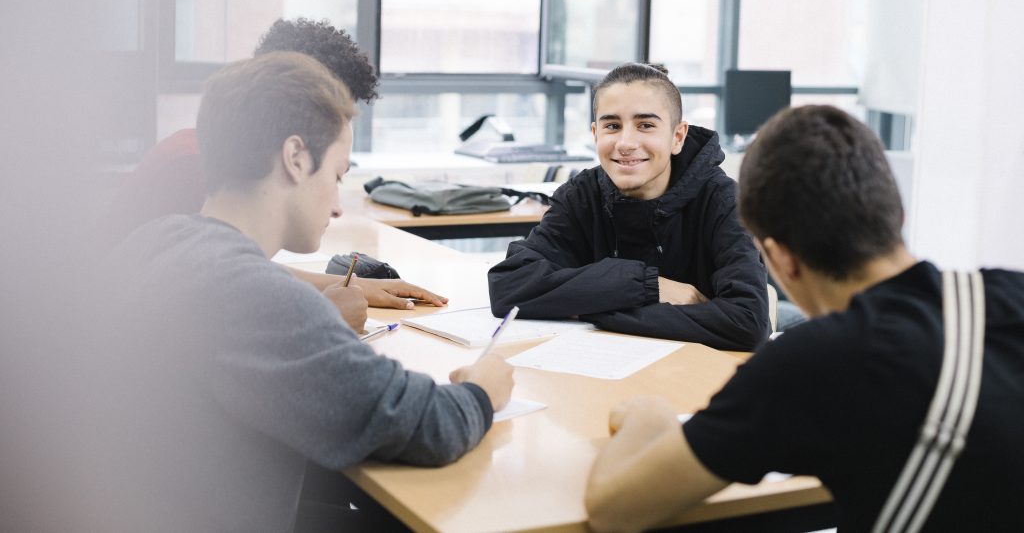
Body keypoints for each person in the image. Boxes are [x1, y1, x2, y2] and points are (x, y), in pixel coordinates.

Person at [96, 52, 514, 532]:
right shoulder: (251, 295)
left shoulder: (155, 240)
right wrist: (483, 388)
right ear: (295, 158)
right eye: (336, 176)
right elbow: (426, 424)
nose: (337, 206)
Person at [584, 105, 1024, 532]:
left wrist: (649, 417)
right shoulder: (1011, 294)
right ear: (896, 214)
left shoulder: (813, 364)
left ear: (778, 258)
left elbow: (613, 509)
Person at [103, 18, 446, 327]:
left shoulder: (211, 151)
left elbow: (239, 270)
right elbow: (210, 300)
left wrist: (356, 286)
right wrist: (324, 317)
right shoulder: (196, 168)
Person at [488, 63, 769, 351]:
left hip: (694, 379)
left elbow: (747, 322)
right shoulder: (582, 194)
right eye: (612, 126)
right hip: (601, 369)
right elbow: (508, 285)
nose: (625, 142)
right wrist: (648, 286)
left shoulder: (723, 201)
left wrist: (588, 308)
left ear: (677, 137)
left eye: (645, 125)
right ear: (596, 133)